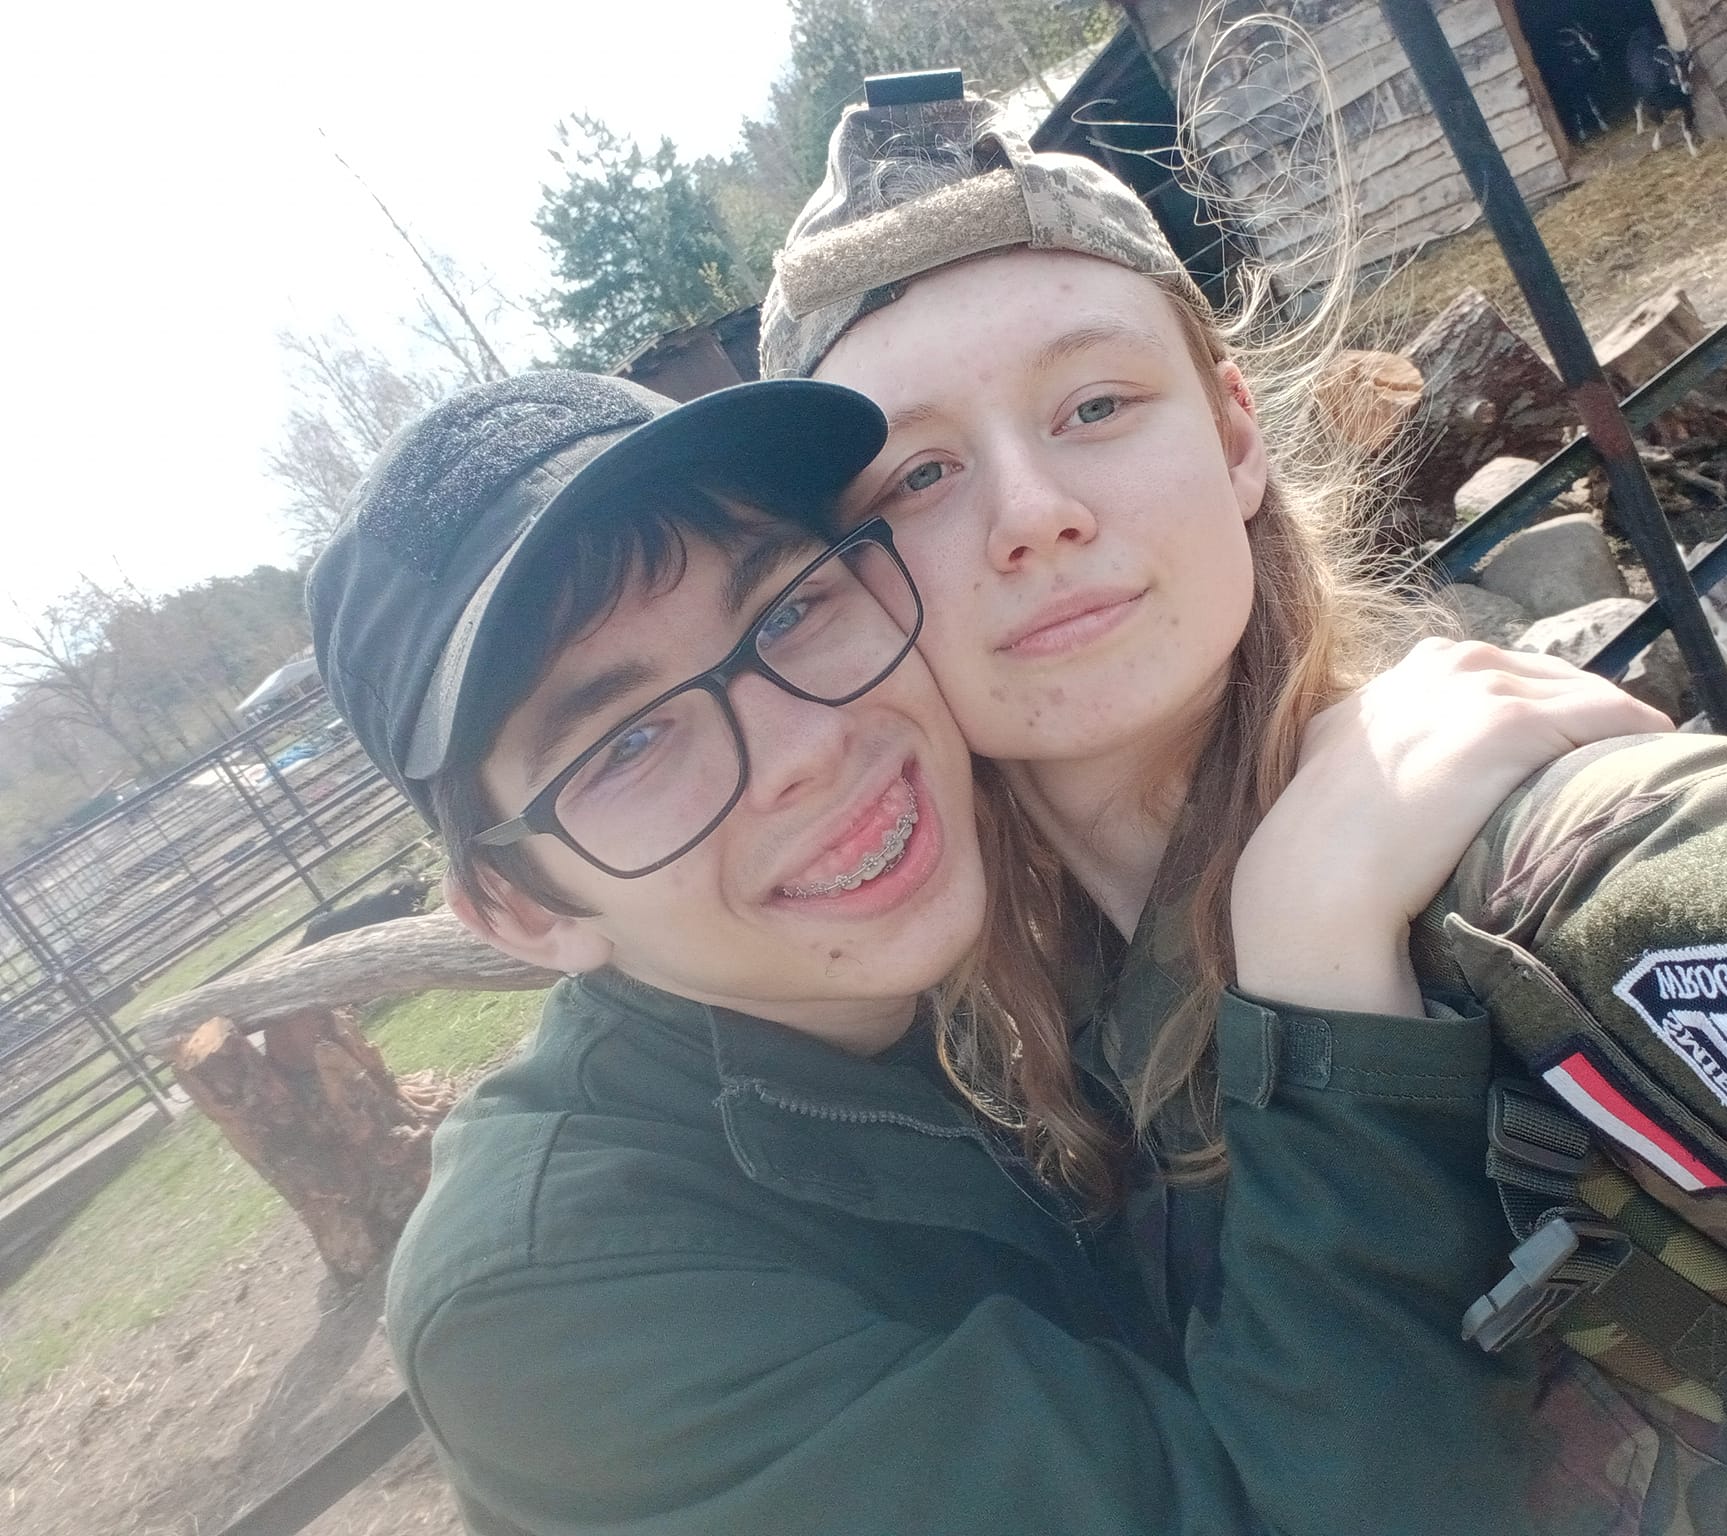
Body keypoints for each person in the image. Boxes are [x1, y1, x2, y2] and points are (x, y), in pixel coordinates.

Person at [759, 74, 1727, 1534]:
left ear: (1234, 436)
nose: (1030, 511)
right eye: (918, 474)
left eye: (1095, 404)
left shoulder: (1541, 883)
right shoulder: (1023, 1062)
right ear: (847, 587)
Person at [310, 368, 1572, 1534]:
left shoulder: (996, 953)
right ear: (522, 909)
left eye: (791, 609)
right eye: (627, 744)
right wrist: (1318, 975)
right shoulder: (549, 1320)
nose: (806, 747)